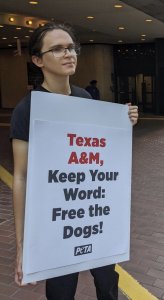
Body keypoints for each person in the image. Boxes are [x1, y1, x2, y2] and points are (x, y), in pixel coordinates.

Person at [10, 22, 138, 300]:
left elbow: (98, 153)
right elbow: (20, 177)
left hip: (91, 213)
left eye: (71, 47)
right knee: (60, 289)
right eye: (57, 49)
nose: (68, 54)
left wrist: (123, 123)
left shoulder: (85, 98)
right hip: (57, 219)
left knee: (107, 281)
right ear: (37, 60)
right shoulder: (27, 108)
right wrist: (22, 246)